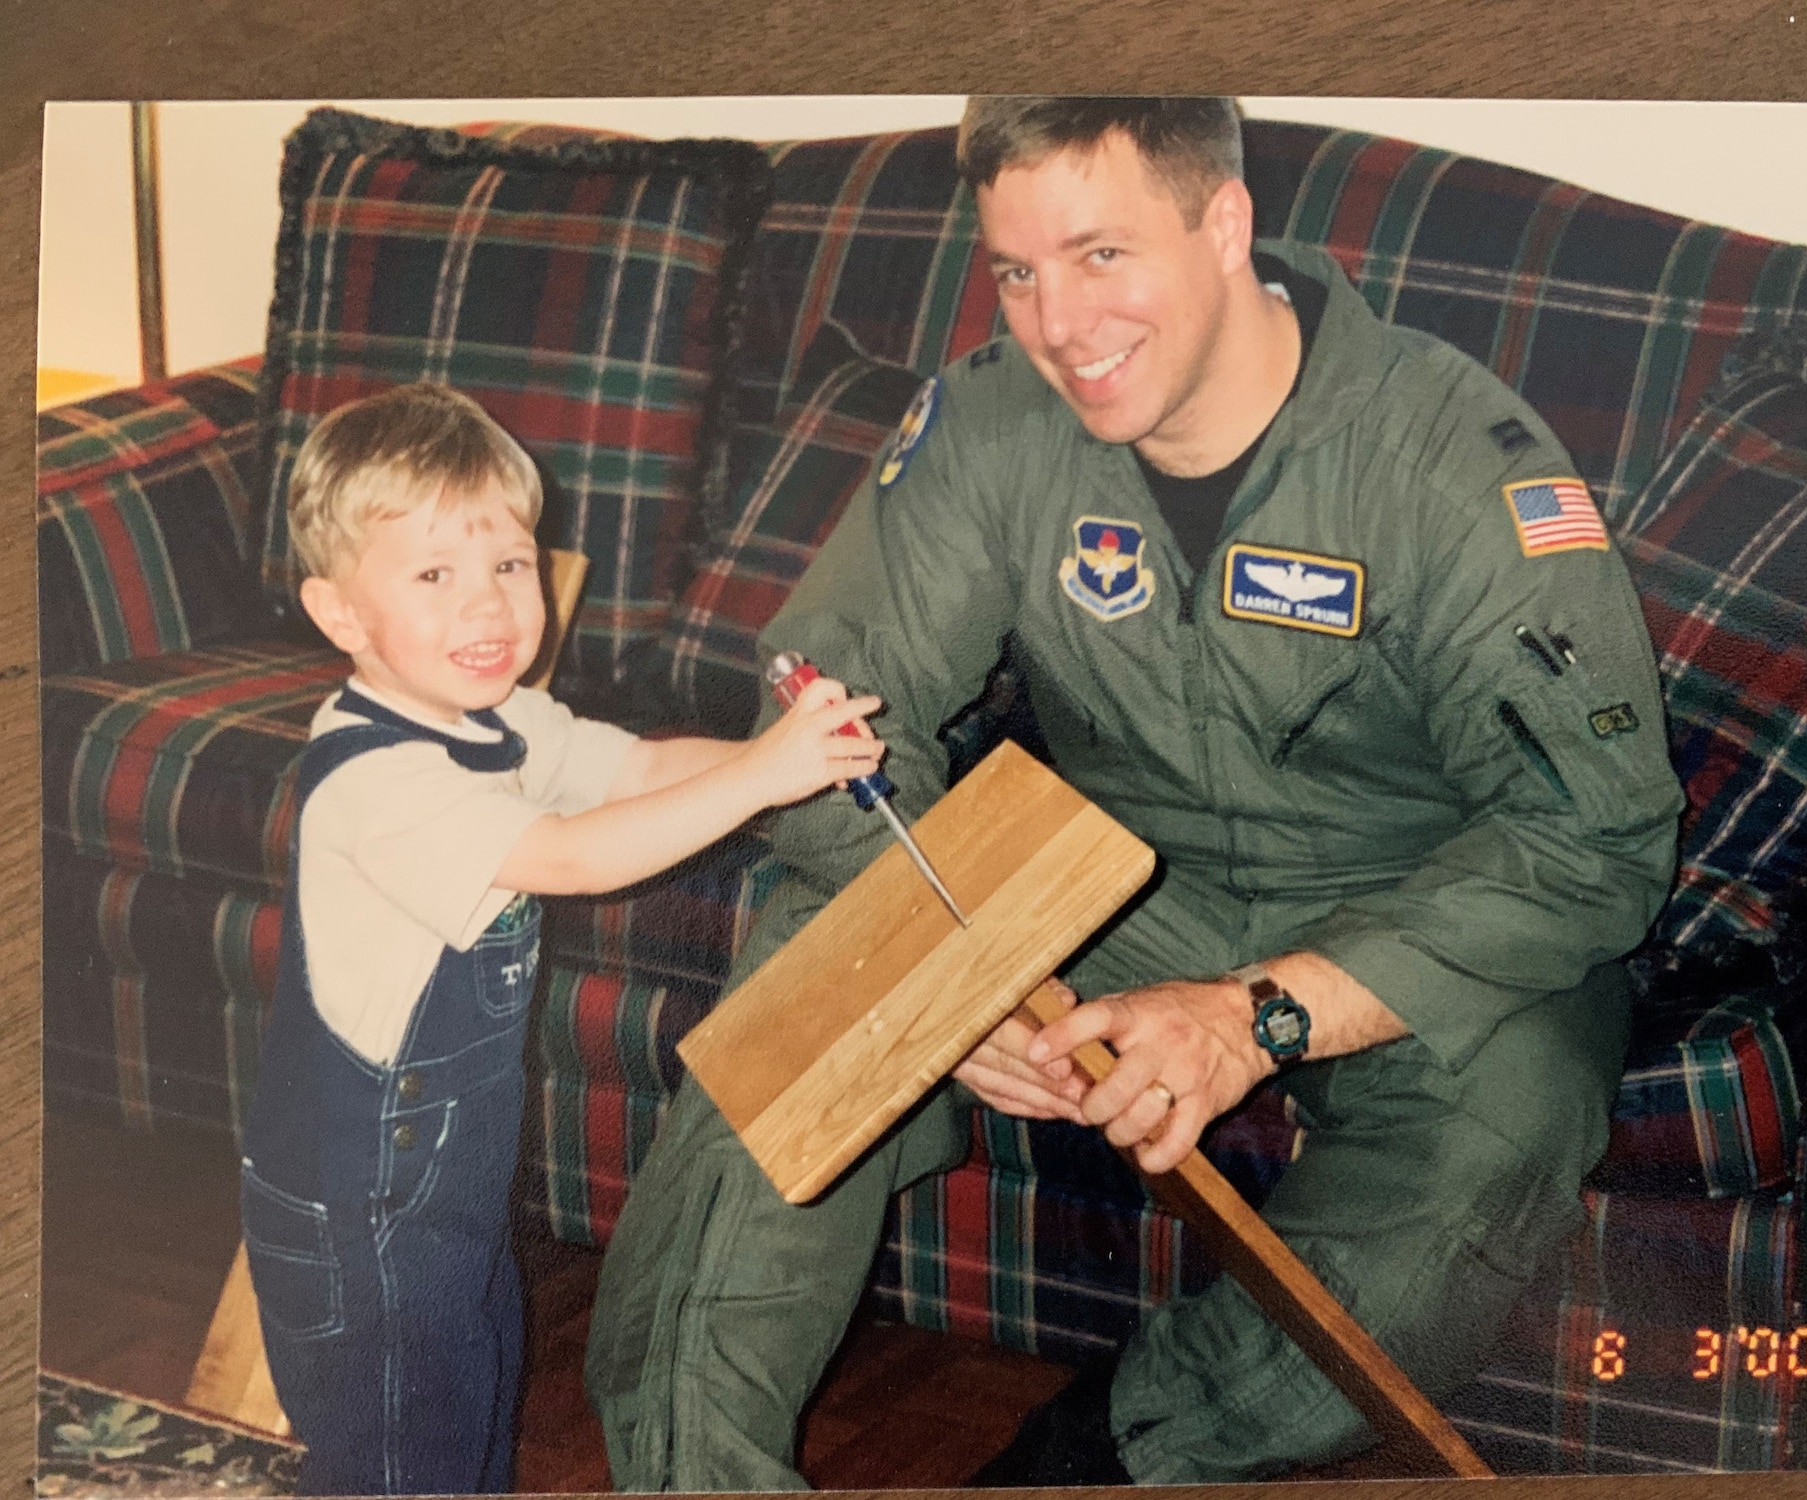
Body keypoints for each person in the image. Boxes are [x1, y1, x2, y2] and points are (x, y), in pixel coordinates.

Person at [585, 97, 1685, 1489]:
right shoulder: (990, 422)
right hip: (1108, 876)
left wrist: (1259, 1015)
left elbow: (1592, 841)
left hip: (1423, 912)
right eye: (1018, 271)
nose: (1060, 324)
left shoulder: (1453, 469)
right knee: (821, 945)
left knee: (1499, 1147)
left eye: (1102, 255)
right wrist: (955, 952)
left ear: (1224, 224)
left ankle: (1094, 1459)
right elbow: (828, 707)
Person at [237, 382, 884, 1496]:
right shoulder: (376, 779)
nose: (488, 607)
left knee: (471, 1403)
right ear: (341, 616)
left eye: (510, 565)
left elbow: (631, 769)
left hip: (443, 1200)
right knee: (397, 1460)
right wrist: (761, 780)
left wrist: (779, 748)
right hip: (359, 1212)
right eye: (434, 577)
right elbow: (575, 857)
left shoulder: (492, 720)